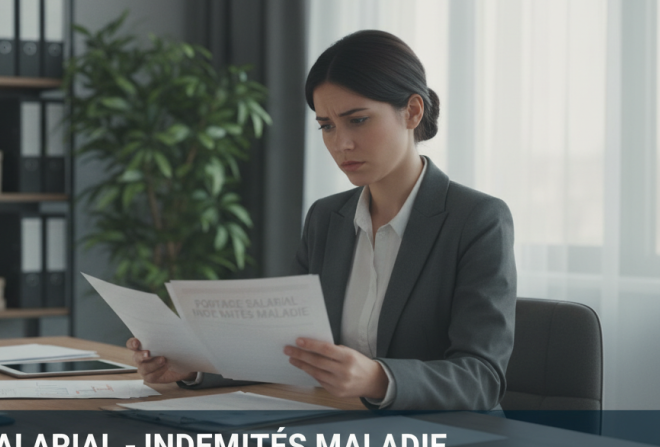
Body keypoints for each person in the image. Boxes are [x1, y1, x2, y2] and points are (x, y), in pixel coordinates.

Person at [126, 30, 516, 410]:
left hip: (440, 445)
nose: (340, 143)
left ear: (413, 111)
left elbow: (482, 378)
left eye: (358, 120)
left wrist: (378, 378)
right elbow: (288, 351)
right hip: (333, 427)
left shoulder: (477, 219)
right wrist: (194, 367)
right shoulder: (327, 218)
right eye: (327, 126)